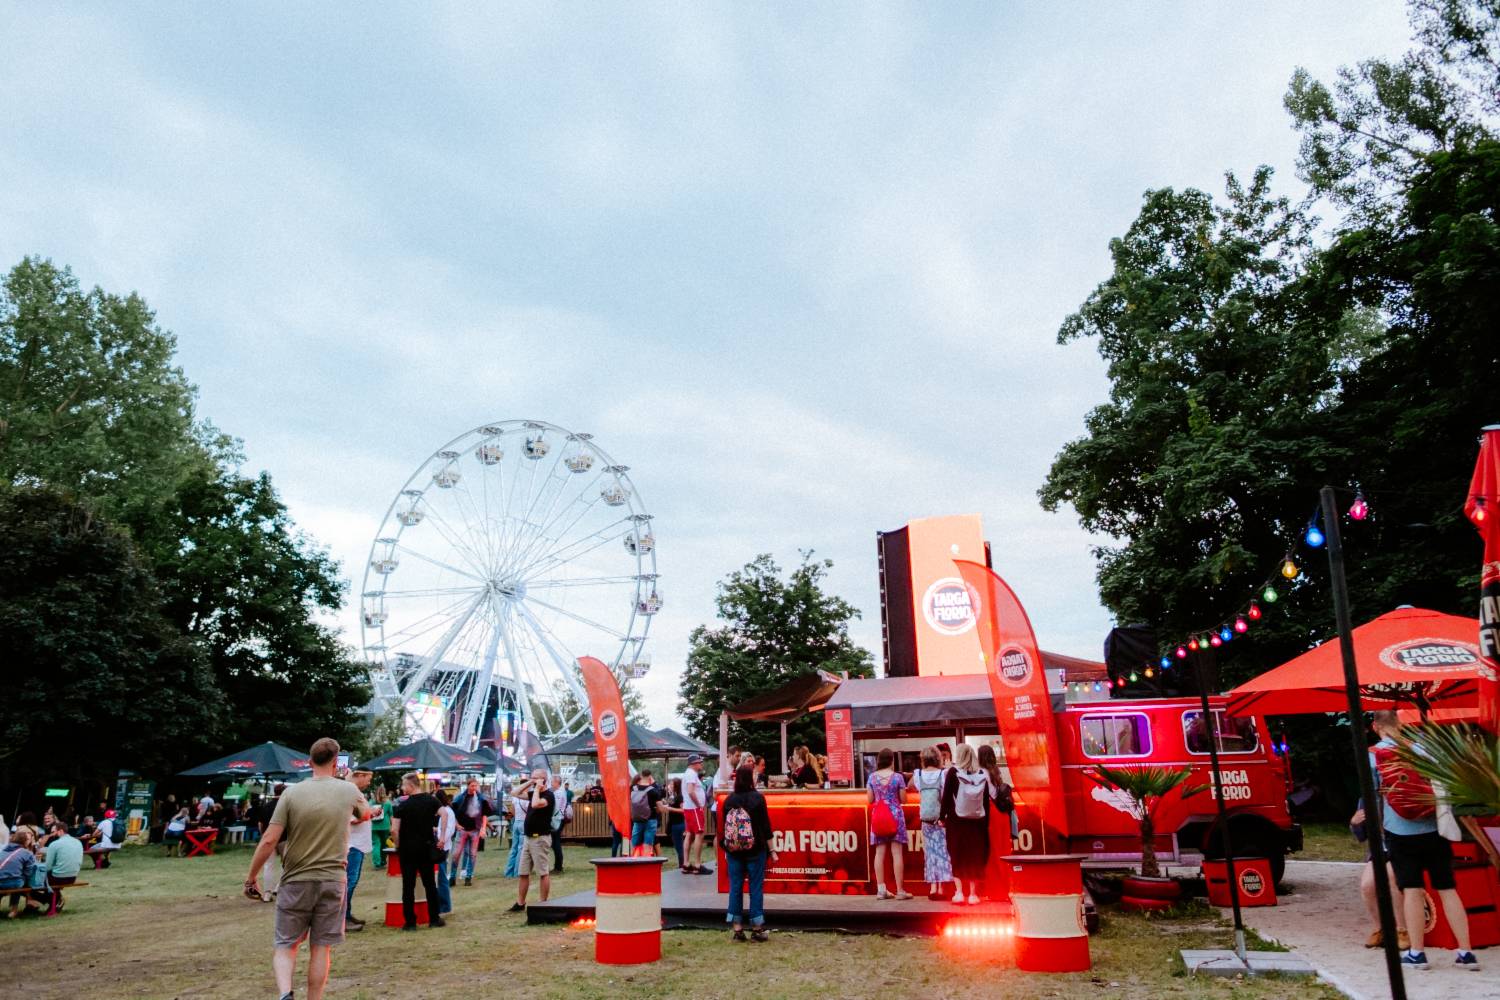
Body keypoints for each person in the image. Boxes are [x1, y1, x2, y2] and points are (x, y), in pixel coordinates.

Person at [244, 737, 372, 1000]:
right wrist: (348, 782)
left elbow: (269, 839)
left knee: (286, 944)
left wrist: (251, 878)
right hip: (333, 879)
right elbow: (367, 814)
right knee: (321, 948)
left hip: (296, 879)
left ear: (309, 762)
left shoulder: (291, 793)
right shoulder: (348, 790)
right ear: (336, 763)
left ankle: (285, 993)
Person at [1369, 710, 1477, 970]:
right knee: (1447, 888)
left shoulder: (1373, 755)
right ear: (1400, 724)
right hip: (1433, 829)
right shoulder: (1421, 749)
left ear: (1375, 727)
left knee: (1412, 890)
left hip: (1400, 831)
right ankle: (1466, 953)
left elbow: (1372, 795)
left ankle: (1417, 953)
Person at [722, 766, 776, 942]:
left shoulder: (729, 800)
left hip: (734, 851)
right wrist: (772, 850)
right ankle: (757, 929)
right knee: (756, 887)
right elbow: (766, 827)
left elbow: (723, 828)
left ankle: (737, 929)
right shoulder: (758, 798)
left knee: (735, 887)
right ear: (750, 778)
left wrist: (726, 848)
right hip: (756, 848)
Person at [1351, 798, 1408, 950]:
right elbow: (1361, 836)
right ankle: (1380, 928)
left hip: (1400, 848)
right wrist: (1355, 823)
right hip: (1379, 851)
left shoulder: (1398, 795)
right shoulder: (1367, 798)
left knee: (1391, 877)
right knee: (1367, 886)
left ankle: (1402, 930)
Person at [390, 772, 444, 931]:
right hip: (426, 847)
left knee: (408, 886)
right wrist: (442, 837)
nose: (402, 788)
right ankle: (434, 918)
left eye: (403, 785)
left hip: (407, 850)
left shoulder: (401, 805)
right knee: (430, 884)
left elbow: (394, 830)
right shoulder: (431, 800)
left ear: (410, 785)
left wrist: (398, 845)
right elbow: (445, 814)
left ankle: (410, 922)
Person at [941, 743, 991, 906]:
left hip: (956, 821)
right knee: (974, 857)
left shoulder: (953, 772)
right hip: (977, 822)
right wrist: (985, 823)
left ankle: (959, 893)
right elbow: (985, 801)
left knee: (957, 855)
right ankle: (973, 894)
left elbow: (946, 797)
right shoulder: (982, 774)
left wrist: (942, 817)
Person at [866, 748, 912, 900]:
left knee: (879, 853)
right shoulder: (898, 777)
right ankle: (900, 890)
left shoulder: (872, 777)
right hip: (895, 816)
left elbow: (870, 799)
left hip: (879, 816)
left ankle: (881, 890)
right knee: (897, 853)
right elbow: (904, 800)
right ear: (892, 760)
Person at [509, 769, 554, 913]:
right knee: (523, 872)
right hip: (528, 838)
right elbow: (514, 793)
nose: (533, 780)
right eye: (532, 777)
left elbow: (535, 804)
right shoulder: (534, 791)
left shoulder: (548, 796)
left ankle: (543, 903)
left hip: (540, 838)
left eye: (536, 778)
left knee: (542, 872)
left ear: (543, 779)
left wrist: (538, 788)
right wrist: (529, 782)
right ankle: (520, 902)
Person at [912, 748, 953, 900]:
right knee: (942, 851)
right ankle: (941, 888)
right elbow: (946, 794)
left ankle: (932, 887)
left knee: (929, 853)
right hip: (940, 818)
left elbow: (912, 786)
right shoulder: (943, 774)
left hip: (925, 819)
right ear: (938, 758)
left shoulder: (918, 774)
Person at [977, 744, 1016, 900]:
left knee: (992, 855)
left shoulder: (981, 773)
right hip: (1002, 814)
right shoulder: (996, 772)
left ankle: (995, 891)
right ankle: (1007, 889)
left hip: (991, 814)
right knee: (1004, 853)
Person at [343, 770, 374, 931]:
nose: (369, 783)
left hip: (358, 844)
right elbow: (351, 819)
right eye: (368, 779)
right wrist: (368, 814)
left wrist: (369, 814)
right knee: (349, 882)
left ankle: (346, 914)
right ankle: (342, 918)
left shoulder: (354, 793)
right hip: (352, 845)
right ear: (360, 776)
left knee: (351, 881)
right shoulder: (349, 793)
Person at [451, 778, 492, 886]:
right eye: (472, 786)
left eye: (476, 786)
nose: (474, 788)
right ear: (468, 786)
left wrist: (483, 828)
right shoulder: (460, 798)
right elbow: (453, 812)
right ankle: (452, 877)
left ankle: (468, 877)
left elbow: (484, 814)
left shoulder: (481, 798)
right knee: (456, 854)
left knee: (472, 854)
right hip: (462, 830)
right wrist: (456, 824)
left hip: (475, 830)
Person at [40, 821, 83, 913]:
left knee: (40, 879)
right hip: (73, 876)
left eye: (54, 832)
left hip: (58, 877)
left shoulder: (54, 844)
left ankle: (53, 902)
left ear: (60, 831)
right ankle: (54, 901)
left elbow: (48, 866)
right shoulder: (78, 842)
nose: (52, 834)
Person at [681, 754, 710, 874]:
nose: (701, 764)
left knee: (689, 833)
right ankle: (697, 864)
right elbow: (690, 791)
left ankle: (686, 863)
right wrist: (698, 804)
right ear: (694, 763)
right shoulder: (691, 774)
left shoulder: (688, 773)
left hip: (689, 808)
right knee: (699, 833)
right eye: (699, 762)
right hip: (694, 808)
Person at [1, 828, 39, 918]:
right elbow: (29, 872)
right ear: (24, 841)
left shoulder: (3, 851)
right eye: (28, 840)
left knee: (14, 879)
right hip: (13, 883)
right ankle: (13, 911)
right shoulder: (26, 853)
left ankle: (29, 903)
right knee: (18, 881)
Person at [630, 770, 668, 856]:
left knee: (634, 844)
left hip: (637, 820)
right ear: (650, 776)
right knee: (647, 844)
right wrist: (665, 807)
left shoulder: (633, 789)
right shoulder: (653, 791)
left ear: (641, 776)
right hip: (650, 820)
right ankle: (645, 861)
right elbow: (661, 809)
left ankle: (632, 861)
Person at [432, 790, 456, 917]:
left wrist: (441, 841)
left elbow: (448, 830)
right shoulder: (446, 811)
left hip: (442, 847)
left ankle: (445, 906)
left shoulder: (447, 812)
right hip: (442, 846)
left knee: (441, 877)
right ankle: (443, 905)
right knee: (440, 877)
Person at [504, 781, 529, 878]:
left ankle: (508, 872)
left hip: (516, 823)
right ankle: (517, 872)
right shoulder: (526, 798)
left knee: (514, 848)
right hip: (524, 823)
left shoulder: (515, 797)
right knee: (521, 848)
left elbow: (512, 810)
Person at [663, 777, 689, 868]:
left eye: (672, 784)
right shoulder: (674, 795)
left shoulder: (680, 796)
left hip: (678, 824)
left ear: (676, 785)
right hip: (674, 823)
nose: (670, 786)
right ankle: (682, 863)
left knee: (679, 845)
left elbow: (683, 810)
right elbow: (671, 804)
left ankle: (682, 864)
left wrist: (670, 808)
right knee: (677, 845)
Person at [549, 775, 571, 874]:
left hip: (557, 819)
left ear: (557, 782)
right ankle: (558, 866)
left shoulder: (558, 793)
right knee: (555, 842)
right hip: (558, 819)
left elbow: (555, 808)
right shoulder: (561, 792)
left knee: (556, 843)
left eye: (552, 782)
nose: (551, 784)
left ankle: (558, 867)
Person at [369, 786, 392, 869]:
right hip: (385, 826)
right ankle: (383, 861)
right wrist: (392, 825)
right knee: (384, 844)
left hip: (373, 826)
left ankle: (377, 863)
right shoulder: (388, 803)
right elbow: (391, 815)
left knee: (376, 844)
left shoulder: (371, 802)